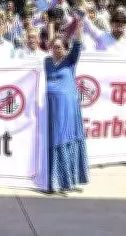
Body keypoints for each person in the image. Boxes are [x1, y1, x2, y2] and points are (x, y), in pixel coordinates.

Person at [45, 17, 88, 194]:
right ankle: (54, 181)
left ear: (65, 48)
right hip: (51, 107)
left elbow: (78, 43)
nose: (56, 50)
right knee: (54, 138)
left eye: (59, 47)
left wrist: (79, 25)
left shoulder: (70, 61)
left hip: (67, 108)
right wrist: (50, 26)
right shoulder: (45, 62)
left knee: (65, 138)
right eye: (53, 47)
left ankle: (68, 180)